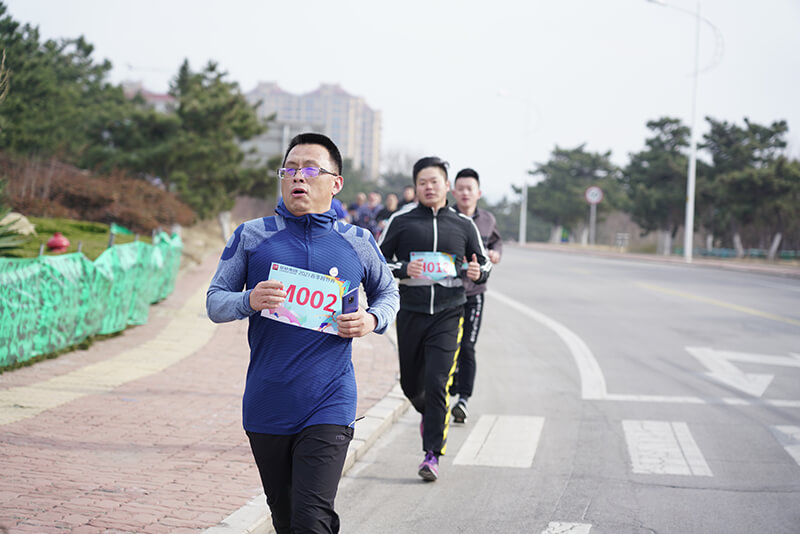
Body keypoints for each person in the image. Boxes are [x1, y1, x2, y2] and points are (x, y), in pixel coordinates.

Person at [206, 132, 399, 534]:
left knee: (311, 520)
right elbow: (214, 302)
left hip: (330, 400)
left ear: (336, 183)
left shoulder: (358, 242)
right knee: (287, 518)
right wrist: (249, 300)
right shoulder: (252, 235)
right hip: (268, 403)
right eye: (290, 169)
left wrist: (372, 320)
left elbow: (388, 292)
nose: (299, 177)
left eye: (311, 169)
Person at [378, 156, 491, 482]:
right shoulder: (401, 221)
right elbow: (375, 264)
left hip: (449, 312)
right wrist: (401, 269)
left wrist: (477, 270)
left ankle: (432, 455)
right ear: (416, 187)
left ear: (447, 186)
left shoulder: (463, 225)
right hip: (411, 311)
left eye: (435, 181)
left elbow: (484, 264)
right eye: (423, 182)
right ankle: (430, 413)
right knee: (412, 385)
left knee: (438, 382)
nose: (429, 187)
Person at [449, 168, 503, 424]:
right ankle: (446, 388)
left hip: (475, 294)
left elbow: (495, 243)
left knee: (468, 347)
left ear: (478, 193)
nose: (465, 193)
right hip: (448, 292)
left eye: (470, 188)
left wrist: (495, 254)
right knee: (449, 347)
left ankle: (463, 399)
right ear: (453, 191)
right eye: (461, 188)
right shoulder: (446, 218)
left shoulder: (487, 220)